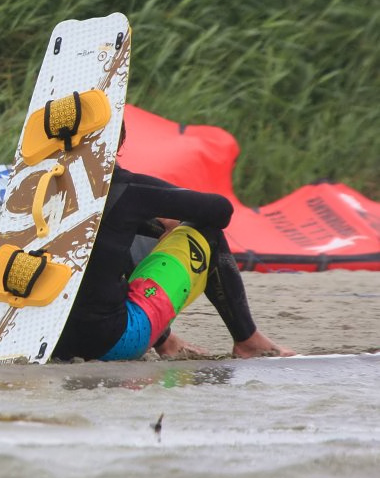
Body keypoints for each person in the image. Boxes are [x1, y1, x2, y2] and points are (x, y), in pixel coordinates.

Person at [53, 123, 295, 361]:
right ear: (119, 141)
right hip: (112, 343)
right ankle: (248, 340)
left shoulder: (36, 190)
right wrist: (166, 213)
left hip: (52, 341)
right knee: (206, 231)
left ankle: (167, 341)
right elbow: (220, 211)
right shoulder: (128, 189)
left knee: (115, 232)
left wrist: (151, 217)